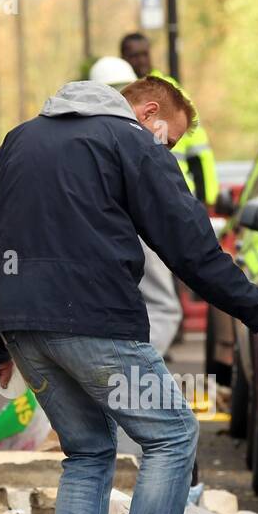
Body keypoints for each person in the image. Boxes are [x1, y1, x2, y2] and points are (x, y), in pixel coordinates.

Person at [0, 77, 258, 514]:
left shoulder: (19, 141)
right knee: (171, 435)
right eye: (170, 138)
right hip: (95, 319)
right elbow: (192, 250)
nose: (166, 149)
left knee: (89, 450)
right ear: (149, 112)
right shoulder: (131, 142)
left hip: (21, 323)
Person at [89, 55, 182, 356]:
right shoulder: (141, 138)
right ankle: (132, 377)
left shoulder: (80, 129)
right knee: (162, 306)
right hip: (137, 224)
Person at [120, 33, 218, 207]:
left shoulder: (172, 93)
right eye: (134, 56)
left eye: (145, 54)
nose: (141, 60)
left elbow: (199, 151)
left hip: (178, 193)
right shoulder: (119, 92)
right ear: (123, 58)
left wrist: (206, 200)